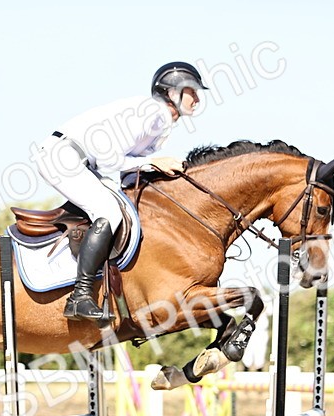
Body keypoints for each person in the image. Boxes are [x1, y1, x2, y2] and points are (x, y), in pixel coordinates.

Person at [32, 62, 209, 321]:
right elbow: (108, 160)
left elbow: (128, 170)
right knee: (109, 212)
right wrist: (154, 162)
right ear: (172, 92)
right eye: (191, 91)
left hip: (78, 161)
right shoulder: (152, 113)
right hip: (64, 157)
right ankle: (80, 297)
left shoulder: (162, 123)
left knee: (120, 207)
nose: (197, 98)